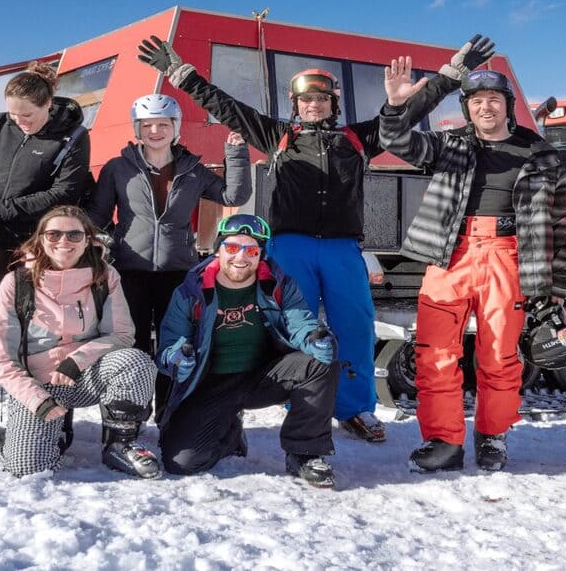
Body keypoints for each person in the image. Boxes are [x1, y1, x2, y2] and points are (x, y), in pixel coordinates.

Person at [138, 36, 421, 443]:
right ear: (295, 103)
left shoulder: (357, 139)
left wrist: (403, 100)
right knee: (291, 328)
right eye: (307, 100)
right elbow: (226, 106)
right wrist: (181, 73)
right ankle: (300, 403)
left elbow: (400, 121)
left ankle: (355, 409)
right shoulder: (278, 137)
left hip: (343, 248)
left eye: (323, 99)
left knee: (355, 327)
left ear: (333, 104)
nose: (315, 105)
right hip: (291, 247)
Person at [380, 48, 566, 473]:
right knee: (434, 353)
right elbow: (394, 139)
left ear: (508, 106)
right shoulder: (450, 146)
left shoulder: (539, 153)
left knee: (501, 357)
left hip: (511, 257)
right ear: (468, 109)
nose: (485, 107)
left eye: (494, 100)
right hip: (450, 254)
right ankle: (444, 441)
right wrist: (401, 103)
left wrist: (556, 289)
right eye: (476, 101)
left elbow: (562, 225)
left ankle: (493, 437)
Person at [155, 214, 339, 488]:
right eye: (232, 248)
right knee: (181, 463)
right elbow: (169, 344)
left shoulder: (278, 284)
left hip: (262, 377)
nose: (241, 257)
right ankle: (229, 435)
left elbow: (299, 321)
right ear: (218, 249)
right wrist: (176, 358)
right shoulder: (190, 291)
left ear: (261, 255)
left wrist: (314, 339)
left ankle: (305, 453)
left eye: (251, 250)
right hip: (209, 384)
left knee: (319, 364)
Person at [0, 206, 161, 478]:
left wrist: (76, 361)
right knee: (27, 468)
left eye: (74, 235)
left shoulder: (105, 276)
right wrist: (37, 399)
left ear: (88, 240)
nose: (63, 242)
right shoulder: (16, 282)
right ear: (41, 238)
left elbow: (122, 335)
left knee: (135, 362)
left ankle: (119, 442)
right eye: (53, 234)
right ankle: (51, 428)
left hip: (83, 375)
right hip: (35, 383)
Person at [87, 93, 251, 354]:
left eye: (163, 124)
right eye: (146, 124)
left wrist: (236, 154)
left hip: (178, 272)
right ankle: (135, 395)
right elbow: (97, 215)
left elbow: (234, 195)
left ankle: (170, 395)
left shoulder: (193, 170)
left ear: (175, 127)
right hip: (130, 271)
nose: (155, 131)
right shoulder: (117, 168)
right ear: (137, 128)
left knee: (175, 347)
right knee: (131, 346)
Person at [0, 62, 93, 323]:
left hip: (34, 244)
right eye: (13, 115)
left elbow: (63, 194)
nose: (19, 122)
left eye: (27, 115)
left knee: (28, 315)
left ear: (48, 104)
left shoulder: (73, 137)